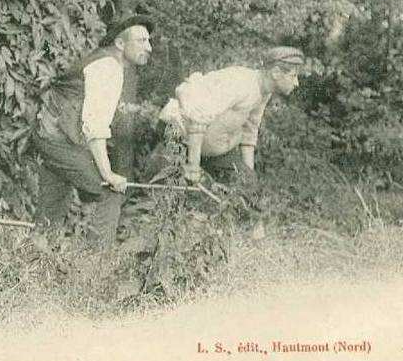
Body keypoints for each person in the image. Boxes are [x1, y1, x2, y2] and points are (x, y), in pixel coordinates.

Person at [32, 15, 154, 245]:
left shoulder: (105, 62)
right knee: (110, 189)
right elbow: (94, 125)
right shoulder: (108, 67)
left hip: (51, 136)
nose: (149, 47)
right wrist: (107, 174)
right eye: (141, 40)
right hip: (57, 138)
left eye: (149, 41)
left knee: (51, 207)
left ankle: (34, 256)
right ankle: (97, 264)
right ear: (120, 43)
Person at [159, 46, 304, 184]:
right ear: (276, 72)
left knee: (246, 189)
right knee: (170, 191)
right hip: (180, 138)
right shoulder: (240, 83)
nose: (296, 83)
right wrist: (193, 168)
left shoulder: (264, 92)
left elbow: (249, 132)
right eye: (294, 75)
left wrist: (249, 176)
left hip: (213, 152)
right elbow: (197, 119)